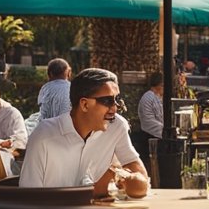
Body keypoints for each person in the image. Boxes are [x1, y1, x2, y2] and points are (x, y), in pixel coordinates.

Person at [20, 68, 149, 197]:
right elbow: (29, 197)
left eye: (117, 100)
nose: (114, 108)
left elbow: (137, 171)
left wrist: (128, 179)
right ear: (85, 105)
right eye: (107, 101)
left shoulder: (116, 126)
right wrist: (99, 187)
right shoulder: (44, 136)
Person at [138, 71, 165, 141]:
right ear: (160, 85)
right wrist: (165, 131)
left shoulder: (160, 98)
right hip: (149, 137)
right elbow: (148, 121)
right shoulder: (147, 97)